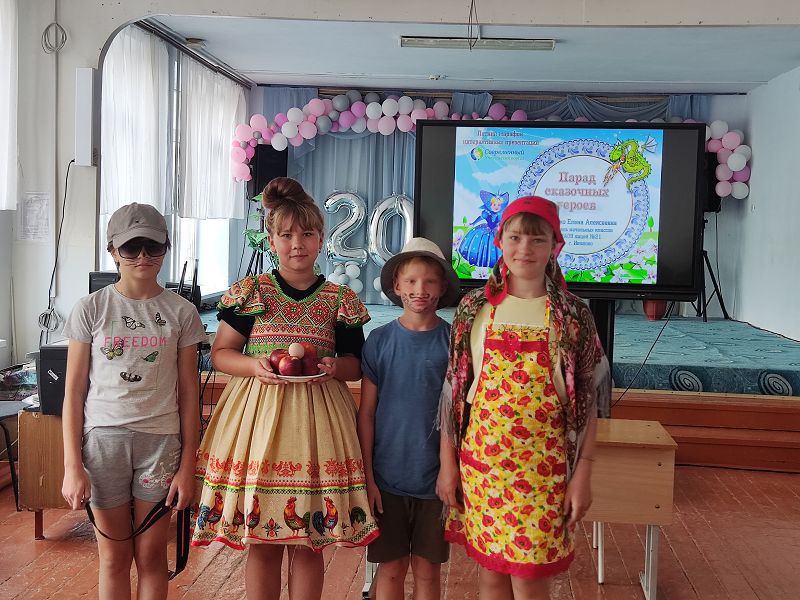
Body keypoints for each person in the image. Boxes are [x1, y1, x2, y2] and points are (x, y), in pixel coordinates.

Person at [192, 177, 379, 599]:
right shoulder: (253, 293)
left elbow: (355, 366)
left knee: (310, 541)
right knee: (262, 541)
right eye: (287, 235)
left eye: (307, 234)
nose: (298, 244)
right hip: (257, 424)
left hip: (319, 427)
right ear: (272, 240)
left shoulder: (339, 300)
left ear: (322, 239)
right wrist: (253, 365)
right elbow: (221, 353)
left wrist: (335, 366)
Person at [437, 196, 611, 599]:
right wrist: (448, 465)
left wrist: (582, 475)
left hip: (543, 473)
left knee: (530, 581)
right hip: (482, 468)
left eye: (537, 239)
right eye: (515, 238)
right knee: (491, 575)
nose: (524, 249)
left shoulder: (573, 315)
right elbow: (454, 393)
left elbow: (588, 407)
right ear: (499, 241)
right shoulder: (473, 308)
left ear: (556, 246)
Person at [61, 203, 207, 599]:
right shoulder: (91, 308)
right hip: (102, 443)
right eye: (131, 247)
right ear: (112, 250)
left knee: (151, 554)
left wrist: (188, 464)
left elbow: (189, 395)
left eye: (152, 246)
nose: (142, 256)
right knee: (113, 557)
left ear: (166, 248)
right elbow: (73, 392)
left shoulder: (182, 313)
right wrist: (72, 466)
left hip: (160, 442)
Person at [357, 238, 460, 600]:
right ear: (396, 285)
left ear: (442, 288)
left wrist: (450, 471)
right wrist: (368, 478)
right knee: (391, 569)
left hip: (436, 481)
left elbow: (456, 414)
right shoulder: (379, 341)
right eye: (411, 281)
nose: (420, 289)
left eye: (430, 281)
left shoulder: (454, 342)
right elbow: (367, 413)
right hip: (386, 480)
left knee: (428, 572)